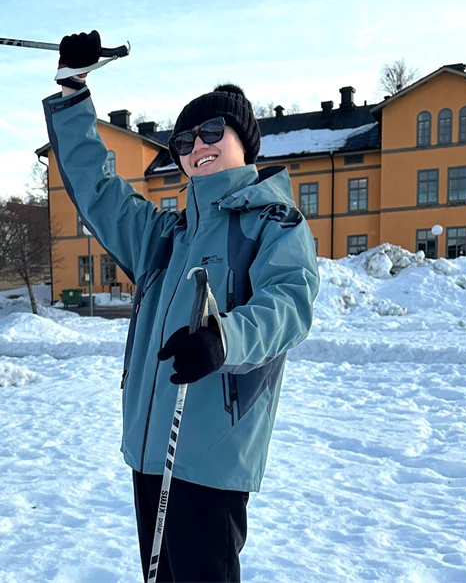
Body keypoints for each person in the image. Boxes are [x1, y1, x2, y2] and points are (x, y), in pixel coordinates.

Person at [43, 31, 320, 582]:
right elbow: (98, 192)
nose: (197, 147)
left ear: (244, 140)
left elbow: (288, 304)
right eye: (184, 141)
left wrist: (223, 339)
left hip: (211, 456)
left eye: (212, 132)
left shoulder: (272, 222)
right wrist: (74, 90)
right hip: (150, 451)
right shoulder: (166, 237)